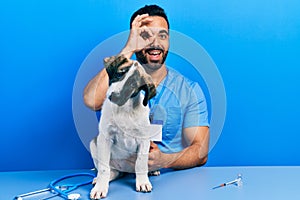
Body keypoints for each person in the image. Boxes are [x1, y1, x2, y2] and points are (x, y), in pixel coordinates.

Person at [83, 5, 210, 171]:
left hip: (167, 180)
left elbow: (201, 151)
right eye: (145, 36)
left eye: (162, 36)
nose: (155, 43)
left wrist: (165, 160)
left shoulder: (189, 90)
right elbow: (90, 101)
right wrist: (128, 49)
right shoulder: (119, 84)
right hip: (122, 177)